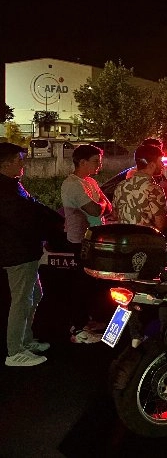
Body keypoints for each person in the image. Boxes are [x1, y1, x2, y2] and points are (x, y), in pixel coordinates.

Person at [1, 143, 65, 367]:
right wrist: (51, 228)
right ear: (6, 163)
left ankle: (25, 341)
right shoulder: (5, 191)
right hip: (17, 253)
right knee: (21, 300)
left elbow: (34, 208)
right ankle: (14, 351)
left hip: (25, 251)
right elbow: (26, 219)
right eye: (19, 159)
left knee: (34, 295)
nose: (23, 163)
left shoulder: (13, 185)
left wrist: (52, 221)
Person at [61, 144, 113, 344]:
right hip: (79, 241)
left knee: (93, 284)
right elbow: (96, 210)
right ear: (82, 162)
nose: (99, 165)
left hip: (94, 240)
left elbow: (108, 206)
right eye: (95, 161)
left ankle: (88, 322)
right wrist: (101, 205)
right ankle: (78, 328)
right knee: (81, 285)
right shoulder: (72, 184)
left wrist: (101, 205)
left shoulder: (90, 181)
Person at [113, 144, 167, 233]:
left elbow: (115, 214)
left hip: (125, 238)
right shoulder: (154, 189)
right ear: (152, 165)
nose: (162, 165)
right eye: (160, 161)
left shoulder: (121, 186)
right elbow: (160, 224)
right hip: (145, 239)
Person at [127, 138, 167, 205]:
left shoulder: (165, 170)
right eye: (154, 150)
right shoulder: (133, 174)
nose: (159, 151)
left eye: (160, 149)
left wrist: (166, 204)